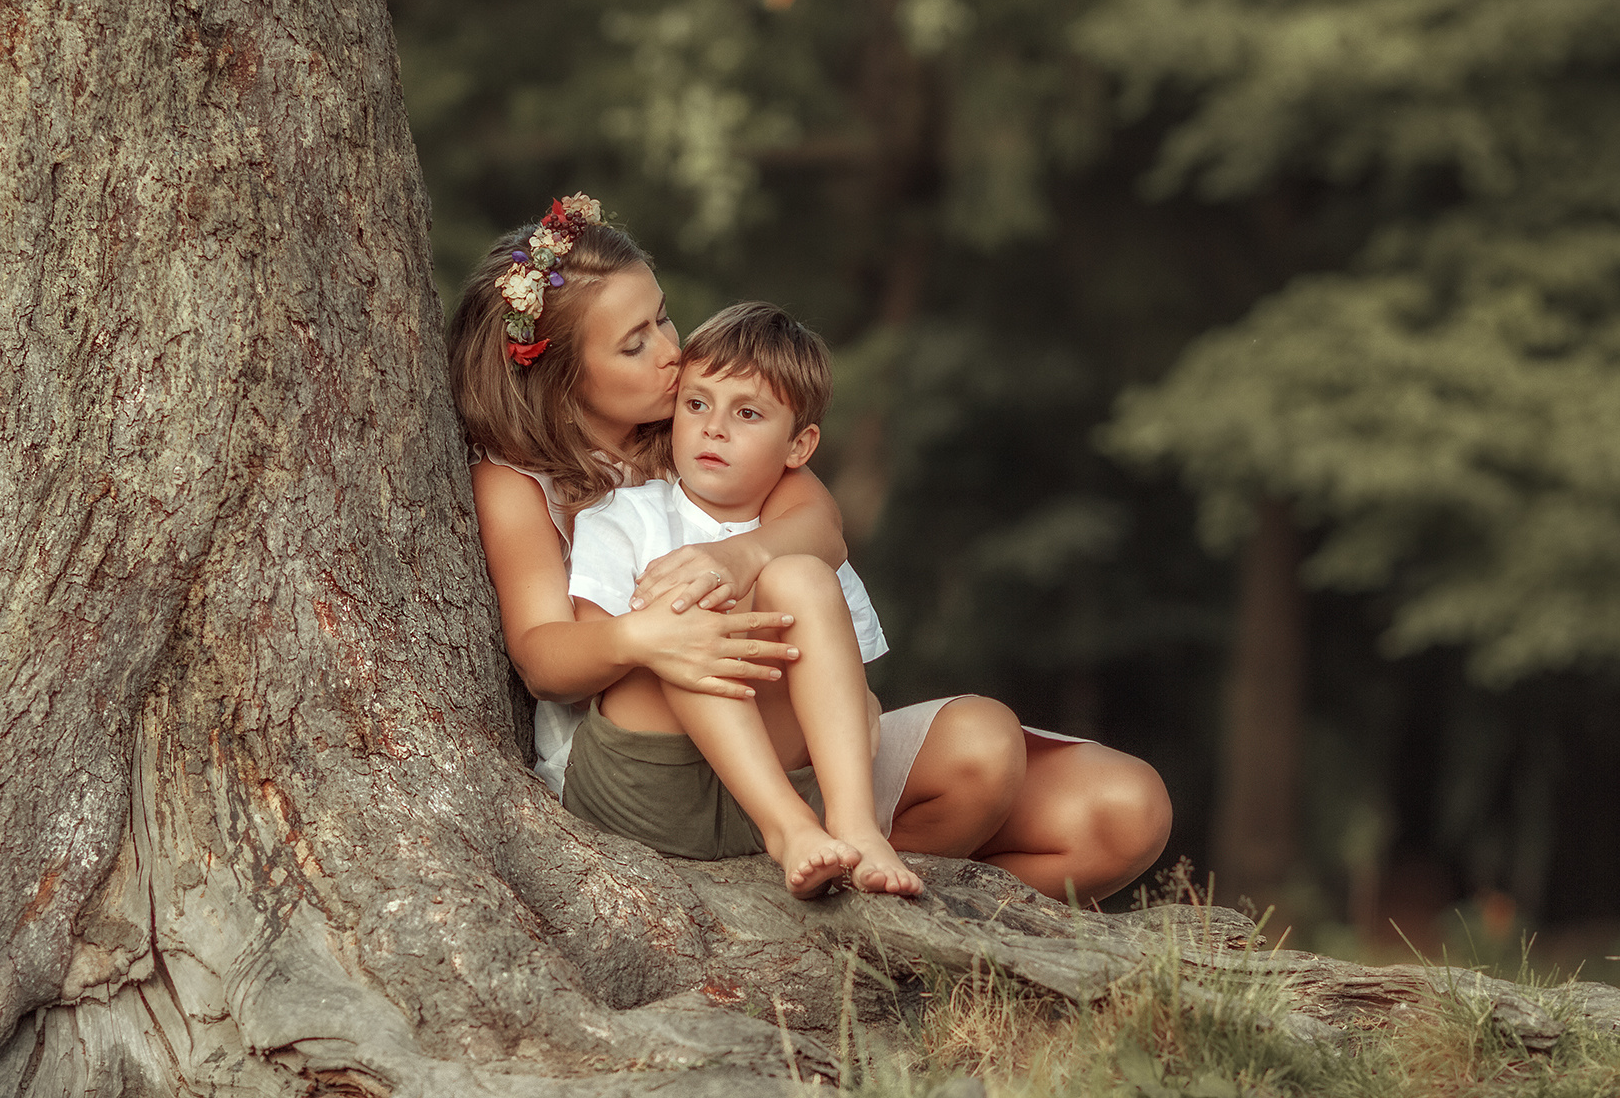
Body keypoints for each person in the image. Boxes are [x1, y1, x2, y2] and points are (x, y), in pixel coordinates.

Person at [448, 194, 1172, 904]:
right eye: (636, 343)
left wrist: (737, 557)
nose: (674, 351)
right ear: (559, 372)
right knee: (691, 603)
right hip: (643, 765)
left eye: (663, 315)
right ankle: (795, 835)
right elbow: (543, 659)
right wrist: (646, 635)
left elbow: (821, 529)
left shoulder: (705, 429)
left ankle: (863, 894)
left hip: (784, 751)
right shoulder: (518, 483)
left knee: (1121, 806)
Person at [562, 302, 922, 898]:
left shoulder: (801, 537)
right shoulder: (623, 516)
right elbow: (585, 666)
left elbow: (845, 688)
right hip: (645, 784)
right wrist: (665, 629)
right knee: (690, 607)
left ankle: (853, 826)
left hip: (774, 777)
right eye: (696, 404)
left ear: (799, 446)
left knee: (803, 581)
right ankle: (789, 831)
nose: (714, 428)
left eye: (748, 413)